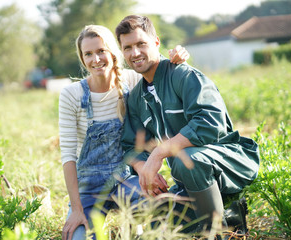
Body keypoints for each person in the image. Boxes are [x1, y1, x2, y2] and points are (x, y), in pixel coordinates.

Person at [115, 15, 260, 234]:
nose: (134, 53)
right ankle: (230, 215)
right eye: (127, 48)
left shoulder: (182, 75)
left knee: (187, 161)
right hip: (187, 179)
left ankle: (218, 232)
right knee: (157, 224)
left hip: (228, 161)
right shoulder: (136, 97)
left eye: (141, 44)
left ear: (156, 42)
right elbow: (131, 146)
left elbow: (211, 122)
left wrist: (159, 153)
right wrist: (145, 169)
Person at [59, 24, 190, 240]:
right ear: (82, 59)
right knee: (77, 237)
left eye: (101, 51)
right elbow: (68, 157)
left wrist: (179, 58)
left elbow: (166, 76)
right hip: (88, 187)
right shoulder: (71, 95)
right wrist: (76, 210)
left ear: (113, 51)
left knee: (164, 211)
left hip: (129, 178)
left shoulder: (133, 80)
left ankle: (136, 230)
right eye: (88, 54)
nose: (96, 59)